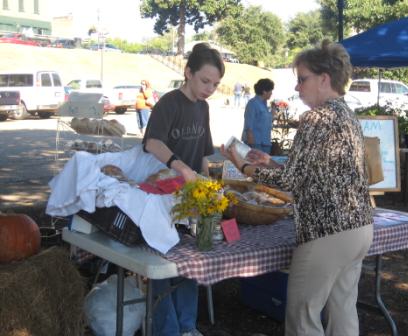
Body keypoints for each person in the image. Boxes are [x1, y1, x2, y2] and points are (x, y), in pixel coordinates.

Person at [222, 40, 373, 336]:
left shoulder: (316, 117)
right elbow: (312, 173)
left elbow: (292, 183)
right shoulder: (346, 114)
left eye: (302, 79)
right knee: (343, 312)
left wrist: (243, 166)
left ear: (324, 79)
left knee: (302, 318)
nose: (297, 87)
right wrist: (271, 164)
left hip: (326, 233)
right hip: (358, 228)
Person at [142, 42, 225, 336]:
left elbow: (204, 152)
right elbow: (152, 142)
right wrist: (181, 167)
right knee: (162, 264)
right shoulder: (169, 103)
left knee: (191, 261)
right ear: (188, 72)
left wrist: (210, 184)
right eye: (205, 81)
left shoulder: (203, 108)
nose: (209, 88)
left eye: (215, 84)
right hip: (161, 195)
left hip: (189, 197)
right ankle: (168, 330)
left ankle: (187, 327)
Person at [241, 78, 275, 154]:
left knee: (263, 165)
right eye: (270, 90)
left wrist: (273, 111)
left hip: (265, 142)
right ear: (264, 91)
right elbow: (248, 124)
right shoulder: (253, 103)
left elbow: (266, 121)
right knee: (256, 165)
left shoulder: (264, 104)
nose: (271, 93)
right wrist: (252, 145)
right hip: (256, 143)